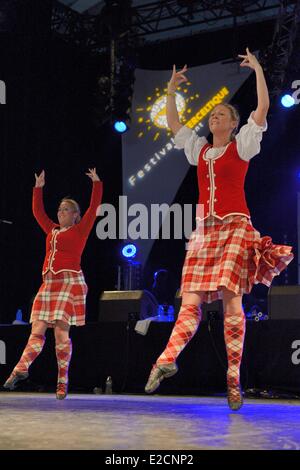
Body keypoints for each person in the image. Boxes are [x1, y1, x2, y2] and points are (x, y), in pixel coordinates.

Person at [144, 48, 294, 410]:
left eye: (221, 114)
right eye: (212, 114)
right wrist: (169, 91)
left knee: (231, 303)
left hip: (235, 227)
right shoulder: (198, 150)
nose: (214, 118)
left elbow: (261, 111)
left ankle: (233, 379)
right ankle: (166, 360)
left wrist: (258, 69)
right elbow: (176, 125)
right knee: (190, 302)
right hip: (204, 232)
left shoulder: (242, 146)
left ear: (232, 123)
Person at [3, 168, 103, 399]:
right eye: (59, 209)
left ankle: (62, 380)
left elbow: (94, 207)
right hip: (48, 284)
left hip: (69, 282)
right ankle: (21, 368)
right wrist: (38, 188)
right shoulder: (52, 230)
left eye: (66, 209)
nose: (60, 212)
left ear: (75, 215)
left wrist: (97, 183)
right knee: (37, 329)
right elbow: (38, 212)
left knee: (60, 334)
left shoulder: (81, 229)